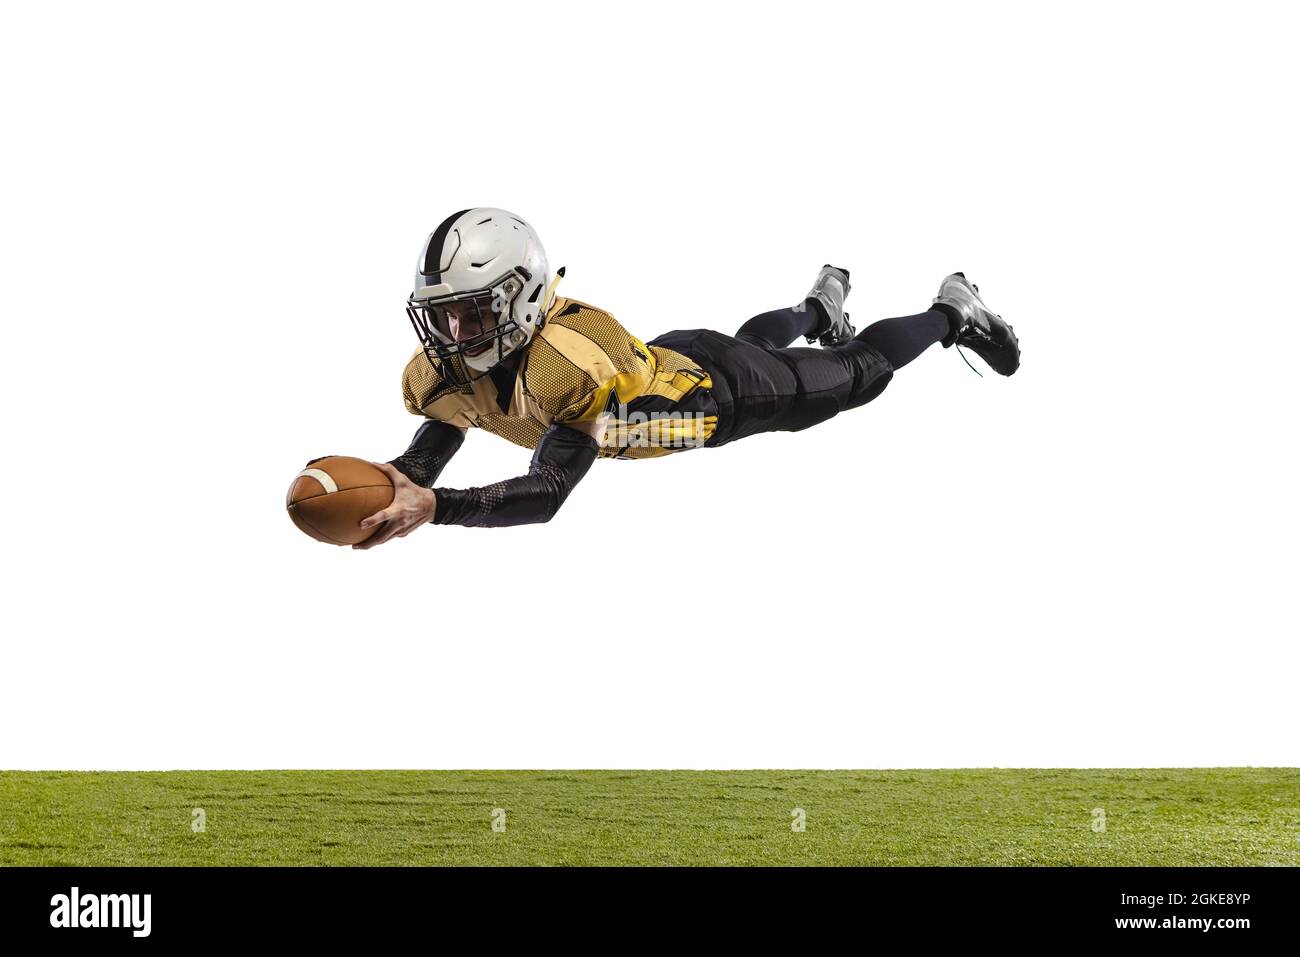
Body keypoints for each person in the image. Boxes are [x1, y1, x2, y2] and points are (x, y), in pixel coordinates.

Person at [346, 207, 1019, 547]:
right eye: (445, 316)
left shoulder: (565, 367)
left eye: (472, 313)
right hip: (666, 363)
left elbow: (549, 489)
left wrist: (438, 508)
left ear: (519, 297)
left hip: (714, 399)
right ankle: (817, 307)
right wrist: (407, 476)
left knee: (856, 374)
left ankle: (951, 312)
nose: (455, 336)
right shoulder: (443, 368)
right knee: (754, 343)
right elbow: (442, 428)